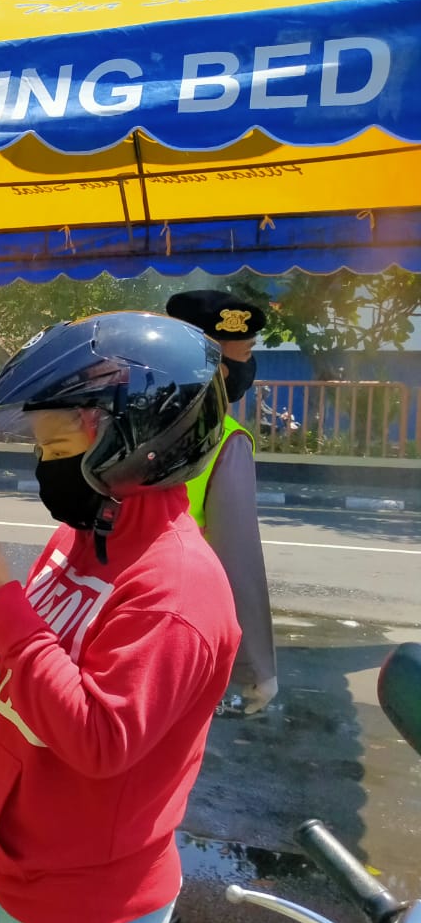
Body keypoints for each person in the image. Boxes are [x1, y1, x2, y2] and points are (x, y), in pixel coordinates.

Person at [0, 311, 242, 923]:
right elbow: (25, 664)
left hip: (84, 895)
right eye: (40, 448)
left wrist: (2, 602)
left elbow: (98, 739)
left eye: (59, 450)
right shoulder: (86, 534)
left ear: (140, 443)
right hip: (8, 855)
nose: (43, 466)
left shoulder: (177, 590)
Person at [166, 289, 277, 715]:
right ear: (219, 368)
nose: (249, 364)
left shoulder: (130, 419)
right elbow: (238, 560)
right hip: (178, 622)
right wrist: (256, 667)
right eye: (245, 352)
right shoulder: (224, 439)